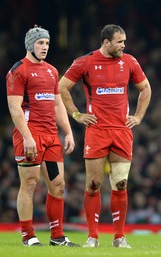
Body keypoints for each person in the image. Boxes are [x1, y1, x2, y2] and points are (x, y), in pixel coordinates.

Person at [59, 24, 152, 248]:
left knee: (120, 184)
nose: (124, 46)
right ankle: (93, 237)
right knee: (93, 184)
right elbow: (62, 87)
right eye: (120, 42)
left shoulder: (129, 62)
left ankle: (119, 238)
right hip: (97, 131)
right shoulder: (85, 62)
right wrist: (76, 114)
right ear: (106, 42)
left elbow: (146, 88)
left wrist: (138, 117)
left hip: (121, 131)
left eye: (124, 42)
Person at [6, 25, 78, 247]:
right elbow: (15, 108)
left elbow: (57, 103)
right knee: (29, 183)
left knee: (58, 185)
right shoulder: (18, 71)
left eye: (47, 43)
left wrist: (68, 131)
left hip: (50, 136)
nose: (45, 47)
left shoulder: (52, 71)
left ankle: (57, 236)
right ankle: (28, 236)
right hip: (30, 134)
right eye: (40, 43)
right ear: (30, 45)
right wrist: (26, 136)